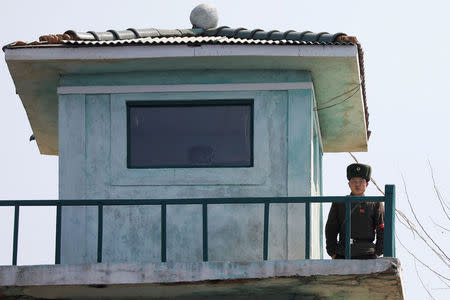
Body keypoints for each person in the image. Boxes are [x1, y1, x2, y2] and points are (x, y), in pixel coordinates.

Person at [325, 163, 384, 259]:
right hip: (342, 253)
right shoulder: (339, 203)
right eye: (354, 181)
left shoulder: (375, 204)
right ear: (349, 184)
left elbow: (382, 229)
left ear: (367, 184)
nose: (357, 184)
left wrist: (378, 252)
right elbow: (331, 229)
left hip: (367, 253)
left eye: (361, 181)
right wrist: (332, 252)